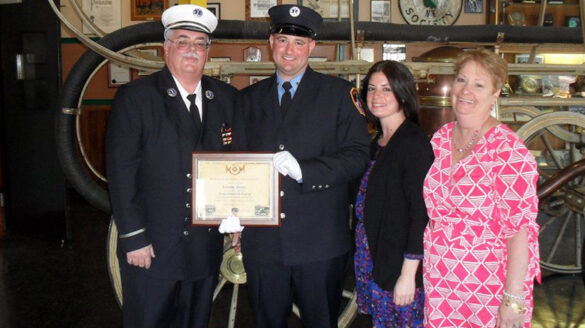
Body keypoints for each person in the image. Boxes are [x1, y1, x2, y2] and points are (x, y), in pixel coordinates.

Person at [236, 4, 370, 327]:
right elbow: (238, 163)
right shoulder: (247, 99)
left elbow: (357, 156)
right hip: (263, 244)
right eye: (283, 40)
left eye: (299, 43)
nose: (290, 50)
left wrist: (305, 171)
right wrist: (235, 216)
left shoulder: (339, 95)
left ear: (312, 46)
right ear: (271, 42)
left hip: (319, 242)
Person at [105, 4, 239, 327]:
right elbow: (121, 172)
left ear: (208, 51)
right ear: (166, 48)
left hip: (205, 250)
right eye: (182, 41)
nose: (191, 50)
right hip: (152, 249)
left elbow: (236, 166)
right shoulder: (136, 98)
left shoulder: (226, 98)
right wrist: (134, 237)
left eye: (199, 43)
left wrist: (240, 219)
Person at [422, 48, 540, 328]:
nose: (466, 91)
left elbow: (519, 231)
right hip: (440, 280)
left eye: (479, 84)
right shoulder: (439, 139)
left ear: (496, 92)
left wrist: (512, 299)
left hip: (488, 285)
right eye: (462, 80)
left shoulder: (509, 151)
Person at [354, 60, 433, 327]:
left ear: (403, 93)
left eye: (386, 89)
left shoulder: (413, 143)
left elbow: (420, 214)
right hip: (375, 258)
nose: (377, 96)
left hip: (400, 266)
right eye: (372, 88)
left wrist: (408, 275)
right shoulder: (376, 142)